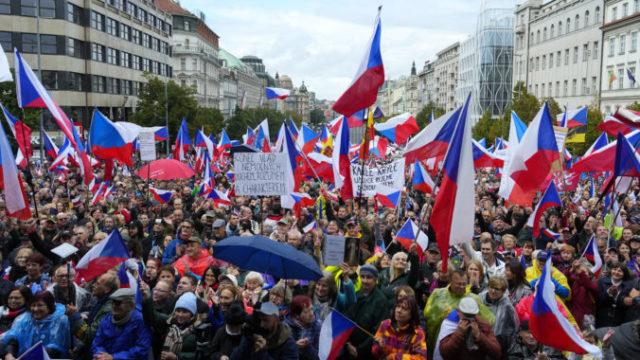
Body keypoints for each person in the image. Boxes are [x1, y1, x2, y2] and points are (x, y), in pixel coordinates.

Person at [424, 269, 495, 359]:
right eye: (458, 284)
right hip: (439, 340)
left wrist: (479, 335)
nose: (462, 287)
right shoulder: (438, 295)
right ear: (450, 282)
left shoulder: (473, 299)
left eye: (464, 284)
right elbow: (428, 316)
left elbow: (489, 320)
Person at [2, 290, 71, 359]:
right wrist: (9, 354)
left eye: (40, 305)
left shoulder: (59, 320)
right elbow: (14, 337)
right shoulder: (26, 319)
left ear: (49, 307)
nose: (35, 309)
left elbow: (55, 347)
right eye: (33, 305)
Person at [67, 272, 120, 359]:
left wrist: (75, 317)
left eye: (98, 283)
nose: (93, 285)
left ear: (107, 290)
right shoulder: (98, 301)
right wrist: (80, 346)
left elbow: (91, 336)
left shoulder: (109, 308)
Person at [343, 264, 390, 360]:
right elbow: (346, 319)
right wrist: (348, 344)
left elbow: (378, 330)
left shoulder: (381, 301)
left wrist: (359, 350)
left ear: (375, 279)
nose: (365, 281)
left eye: (369, 277)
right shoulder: (356, 295)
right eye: (362, 277)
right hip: (349, 348)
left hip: (366, 353)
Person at [91, 288, 152, 359]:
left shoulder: (141, 321)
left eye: (118, 303)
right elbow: (96, 343)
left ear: (131, 305)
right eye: (112, 302)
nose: (113, 306)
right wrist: (101, 355)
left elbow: (142, 349)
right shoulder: (107, 318)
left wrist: (114, 357)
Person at [438, 297, 502, 360]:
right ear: (459, 312)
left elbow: (497, 353)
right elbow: (444, 354)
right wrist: (458, 334)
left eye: (472, 316)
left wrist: (479, 336)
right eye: (466, 315)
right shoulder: (450, 324)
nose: (469, 319)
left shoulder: (483, 325)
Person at [142, 291, 201, 360]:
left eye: (185, 312)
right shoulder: (170, 321)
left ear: (192, 314)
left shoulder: (198, 328)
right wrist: (147, 297)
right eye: (178, 311)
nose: (180, 315)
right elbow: (152, 316)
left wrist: (177, 357)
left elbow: (201, 355)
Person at [229, 301, 298, 360]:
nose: (262, 324)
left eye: (266, 320)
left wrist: (263, 353)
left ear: (276, 319)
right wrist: (248, 339)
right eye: (260, 320)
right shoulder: (255, 332)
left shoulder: (288, 344)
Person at [479, 276, 519, 354]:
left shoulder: (506, 305)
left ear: (503, 291)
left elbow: (513, 326)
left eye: (497, 289)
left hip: (498, 342)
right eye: (491, 287)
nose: (493, 291)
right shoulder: (480, 298)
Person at [595, 260, 633, 328]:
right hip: (602, 318)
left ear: (624, 274)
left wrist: (617, 296)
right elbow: (598, 299)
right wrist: (609, 293)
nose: (616, 272)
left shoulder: (628, 285)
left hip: (619, 320)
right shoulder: (601, 281)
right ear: (611, 270)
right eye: (615, 269)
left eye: (620, 271)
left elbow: (626, 305)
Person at [283, 295, 321, 360]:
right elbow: (282, 353)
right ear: (297, 315)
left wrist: (307, 347)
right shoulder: (285, 326)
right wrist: (294, 346)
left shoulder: (317, 325)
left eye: (312, 309)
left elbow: (319, 357)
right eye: (306, 312)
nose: (311, 314)